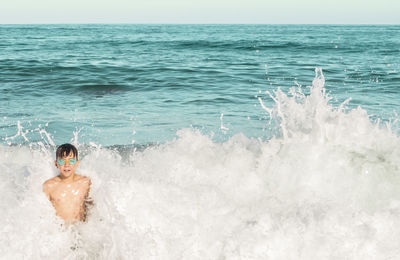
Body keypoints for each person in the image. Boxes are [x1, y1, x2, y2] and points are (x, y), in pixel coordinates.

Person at [43, 143, 92, 222]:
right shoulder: (49, 186)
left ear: (77, 163)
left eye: (71, 161)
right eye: (62, 161)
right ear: (56, 164)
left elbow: (91, 209)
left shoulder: (85, 183)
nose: (66, 164)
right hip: (60, 232)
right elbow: (43, 213)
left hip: (80, 230)